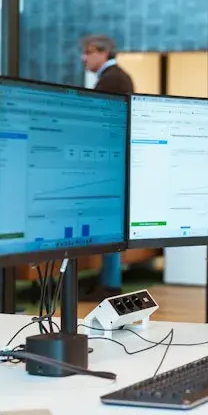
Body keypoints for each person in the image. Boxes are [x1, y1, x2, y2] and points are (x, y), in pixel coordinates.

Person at [80, 34, 134, 300]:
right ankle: (108, 282)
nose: (84, 57)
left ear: (103, 52)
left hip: (109, 163)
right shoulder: (117, 76)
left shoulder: (112, 79)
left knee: (109, 224)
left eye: (88, 52)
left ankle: (110, 286)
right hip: (115, 161)